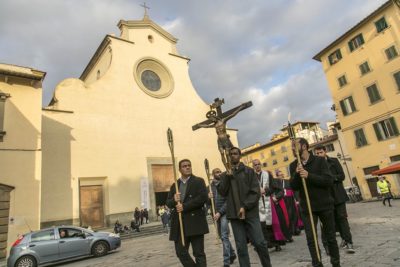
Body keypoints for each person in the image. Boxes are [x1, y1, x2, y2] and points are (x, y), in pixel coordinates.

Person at [217, 147, 272, 267]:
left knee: (260, 243)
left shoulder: (248, 171)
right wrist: (227, 176)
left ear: (240, 156)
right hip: (234, 215)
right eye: (230, 154)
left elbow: (255, 192)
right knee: (241, 247)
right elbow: (222, 192)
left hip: (250, 213)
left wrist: (245, 206)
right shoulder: (224, 174)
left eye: (235, 153)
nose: (232, 156)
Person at [289, 138, 340, 267]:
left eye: (295, 146)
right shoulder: (293, 165)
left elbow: (328, 181)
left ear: (304, 146)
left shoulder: (320, 161)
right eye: (292, 147)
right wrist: (296, 174)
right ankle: (317, 263)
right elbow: (293, 186)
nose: (292, 149)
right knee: (311, 239)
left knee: (331, 237)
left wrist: (309, 175)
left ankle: (336, 263)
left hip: (324, 204)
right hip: (307, 207)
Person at [166, 159, 209, 267]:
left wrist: (184, 206)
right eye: (184, 166)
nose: (188, 167)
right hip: (180, 224)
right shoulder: (175, 185)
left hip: (195, 222)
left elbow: (202, 198)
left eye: (189, 165)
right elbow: (168, 202)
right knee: (181, 252)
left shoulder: (199, 181)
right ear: (180, 169)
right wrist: (174, 199)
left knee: (199, 253)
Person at [314, 145, 355, 254]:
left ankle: (348, 241)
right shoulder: (315, 165)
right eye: (317, 153)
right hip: (325, 198)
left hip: (338, 195)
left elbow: (342, 176)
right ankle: (327, 246)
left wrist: (330, 179)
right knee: (327, 222)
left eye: (320, 152)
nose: (319, 155)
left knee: (342, 218)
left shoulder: (334, 161)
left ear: (325, 151)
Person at [252, 159, 290, 252]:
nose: (257, 166)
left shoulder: (267, 174)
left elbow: (274, 187)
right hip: (258, 203)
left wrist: (266, 191)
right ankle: (265, 244)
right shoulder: (251, 177)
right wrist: (257, 192)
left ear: (260, 165)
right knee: (262, 225)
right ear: (253, 166)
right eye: (255, 165)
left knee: (273, 223)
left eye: (258, 164)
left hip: (268, 202)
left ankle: (276, 243)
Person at [208, 167, 237, 267]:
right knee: (221, 237)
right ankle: (232, 254)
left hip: (224, 213)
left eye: (220, 172)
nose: (219, 173)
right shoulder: (210, 187)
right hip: (215, 214)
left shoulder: (224, 184)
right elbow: (208, 203)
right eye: (217, 172)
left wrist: (220, 212)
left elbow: (228, 200)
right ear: (213, 174)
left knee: (224, 236)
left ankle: (226, 261)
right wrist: (208, 197)